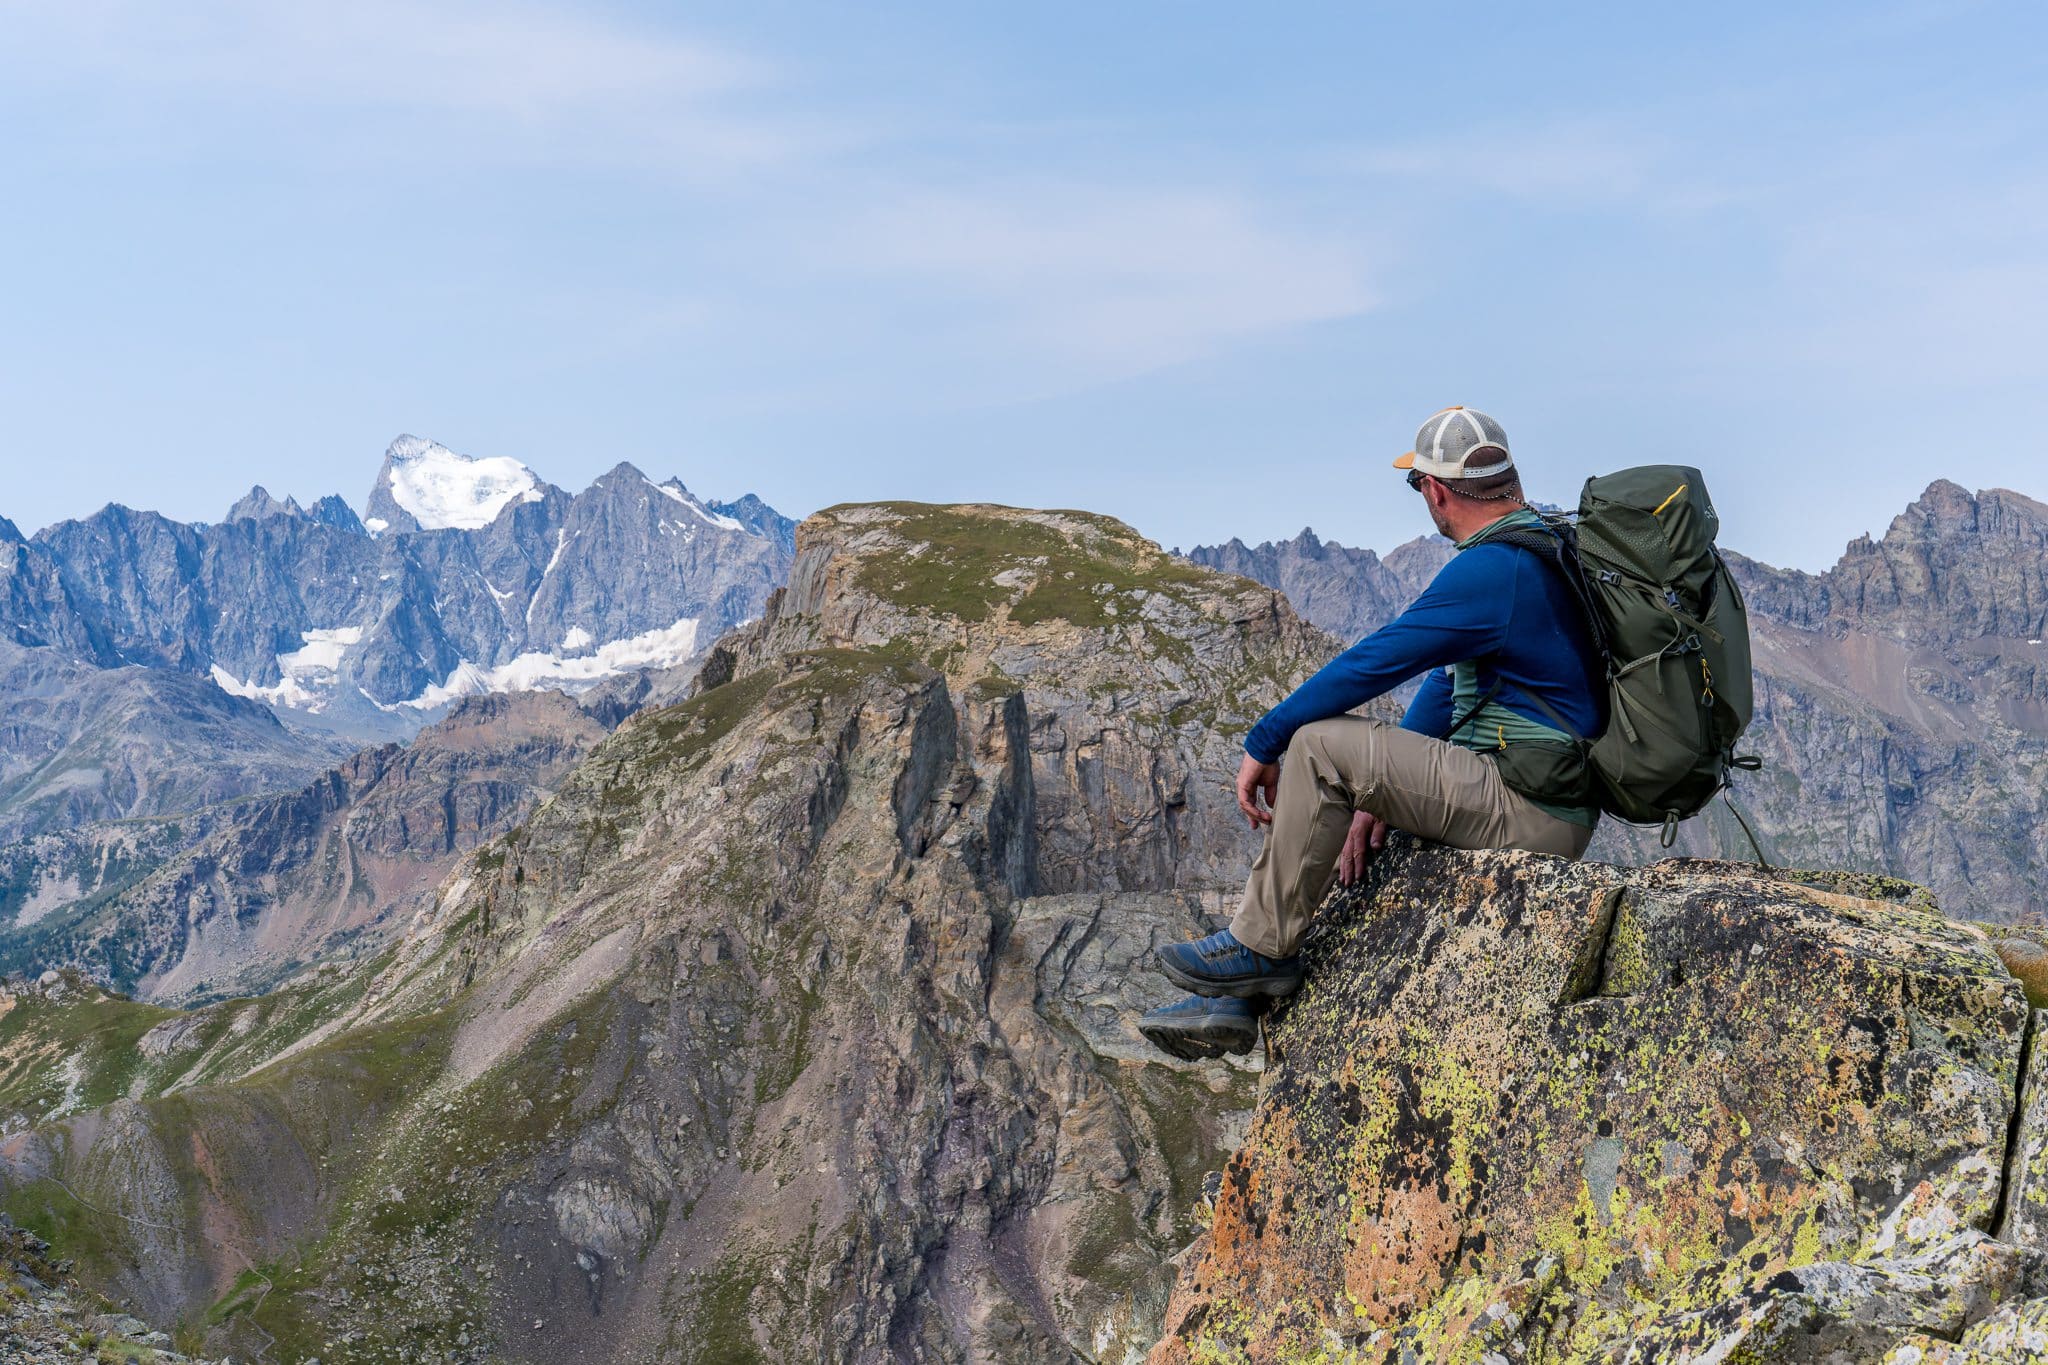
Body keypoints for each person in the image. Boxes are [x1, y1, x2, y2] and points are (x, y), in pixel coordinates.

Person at [1141, 407, 1607, 1060]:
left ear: (1436, 491)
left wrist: (1265, 738)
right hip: (1539, 796)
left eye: (1417, 487)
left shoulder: (1492, 570)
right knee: (1340, 790)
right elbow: (1449, 682)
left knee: (1318, 746)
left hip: (1529, 808)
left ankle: (1255, 951)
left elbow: (1377, 660)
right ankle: (1233, 1001)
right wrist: (1373, 799)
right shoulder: (1538, 544)